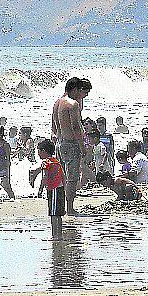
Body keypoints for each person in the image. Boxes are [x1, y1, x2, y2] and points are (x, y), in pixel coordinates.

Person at [52, 77, 89, 215]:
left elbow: (54, 127)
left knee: (62, 178)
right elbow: (75, 127)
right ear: (75, 89)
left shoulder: (57, 103)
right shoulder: (73, 104)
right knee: (72, 178)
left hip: (60, 143)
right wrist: (82, 146)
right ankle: (70, 208)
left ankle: (60, 205)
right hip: (71, 143)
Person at [36, 139, 64, 240]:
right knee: (59, 214)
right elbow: (62, 175)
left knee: (53, 214)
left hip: (53, 189)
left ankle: (54, 235)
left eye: (38, 151)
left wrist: (40, 189)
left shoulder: (46, 163)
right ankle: (59, 235)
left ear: (43, 151)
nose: (38, 153)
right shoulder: (56, 161)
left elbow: (44, 177)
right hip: (60, 188)